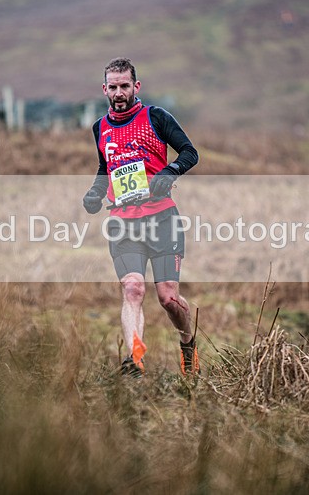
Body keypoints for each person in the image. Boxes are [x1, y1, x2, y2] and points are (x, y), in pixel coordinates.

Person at [82, 57, 200, 377]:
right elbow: (105, 169)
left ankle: (188, 346)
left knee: (168, 298)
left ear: (136, 86)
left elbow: (189, 152)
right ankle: (135, 359)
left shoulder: (156, 117)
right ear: (104, 89)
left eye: (125, 86)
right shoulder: (100, 128)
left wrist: (170, 172)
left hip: (162, 219)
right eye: (113, 87)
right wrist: (95, 192)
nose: (119, 93)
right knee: (132, 288)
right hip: (123, 222)